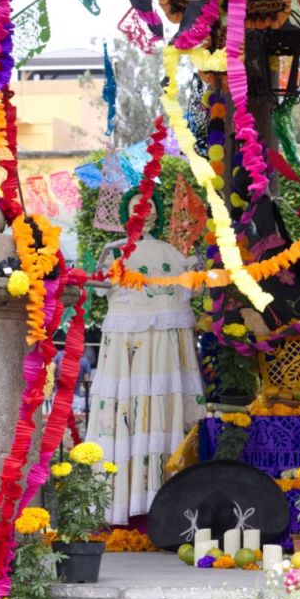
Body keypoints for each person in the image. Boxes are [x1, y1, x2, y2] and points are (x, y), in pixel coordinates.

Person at [85, 189, 206, 526]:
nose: (144, 210)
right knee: (128, 409)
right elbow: (99, 285)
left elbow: (191, 288)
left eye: (150, 204)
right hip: (129, 348)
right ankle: (123, 504)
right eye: (137, 205)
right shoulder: (115, 253)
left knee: (165, 409)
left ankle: (165, 503)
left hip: (165, 349)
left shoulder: (174, 253)